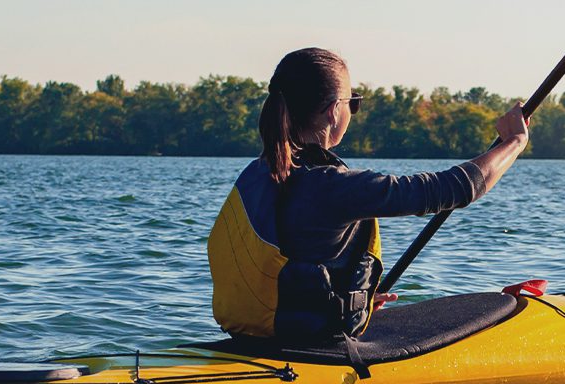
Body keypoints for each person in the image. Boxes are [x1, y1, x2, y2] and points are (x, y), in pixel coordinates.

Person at [208, 47, 529, 348]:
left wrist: (340, 297)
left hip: (252, 339)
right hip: (304, 347)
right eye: (353, 102)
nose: (352, 111)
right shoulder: (331, 185)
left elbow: (295, 251)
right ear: (334, 110)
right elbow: (453, 188)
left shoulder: (257, 173)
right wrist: (513, 142)